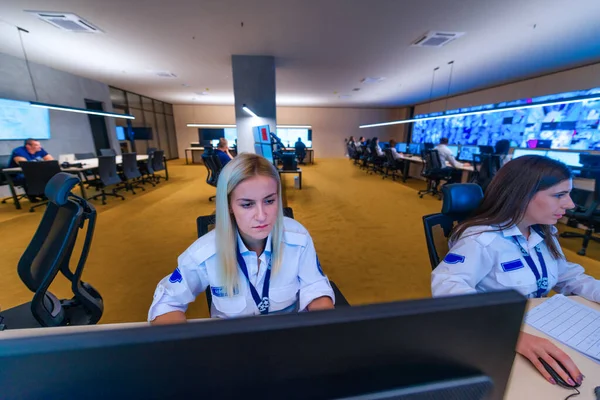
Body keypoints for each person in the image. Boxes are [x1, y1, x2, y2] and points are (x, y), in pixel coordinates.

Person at [432, 155, 600, 387]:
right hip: (493, 333)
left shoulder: (544, 232)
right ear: (523, 194)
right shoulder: (480, 240)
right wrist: (510, 334)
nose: (570, 204)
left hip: (537, 323)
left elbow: (566, 275)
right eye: (559, 195)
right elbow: (446, 288)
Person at [149, 153, 335, 324]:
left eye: (269, 201)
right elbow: (167, 303)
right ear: (229, 205)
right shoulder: (205, 253)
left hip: (287, 341)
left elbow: (315, 287)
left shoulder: (298, 239)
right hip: (232, 348)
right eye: (247, 204)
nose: (261, 216)